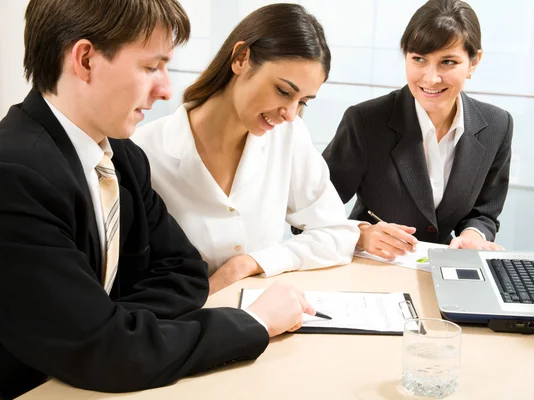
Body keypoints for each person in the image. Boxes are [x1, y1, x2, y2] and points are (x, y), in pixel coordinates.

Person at [0, 1, 317, 398]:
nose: (166, 89)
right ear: (85, 60)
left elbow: (185, 272)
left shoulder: (122, 157)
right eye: (151, 67)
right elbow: (106, 353)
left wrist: (113, 327)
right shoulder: (14, 173)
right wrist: (253, 322)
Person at [133, 3, 359, 295]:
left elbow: (336, 234)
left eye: (303, 101)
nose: (290, 113)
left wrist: (250, 263)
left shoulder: (287, 136)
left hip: (262, 320)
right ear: (241, 59)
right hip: (180, 327)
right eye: (283, 91)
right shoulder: (143, 152)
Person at [322, 0, 513, 260]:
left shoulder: (497, 125)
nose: (431, 78)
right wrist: (361, 234)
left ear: (473, 62)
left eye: (448, 62)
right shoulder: (365, 121)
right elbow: (309, 213)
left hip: (441, 269)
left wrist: (473, 235)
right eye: (419, 59)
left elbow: (484, 212)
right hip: (372, 266)